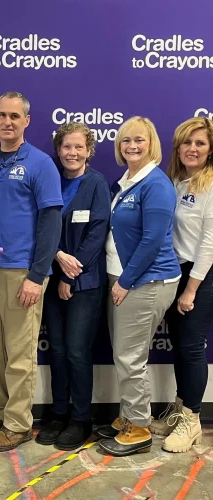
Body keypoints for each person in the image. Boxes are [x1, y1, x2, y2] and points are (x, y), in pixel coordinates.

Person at [0, 91, 63, 452]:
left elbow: (51, 222)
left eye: (14, 116)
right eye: (1, 115)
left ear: (26, 121)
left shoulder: (40, 164)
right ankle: (2, 412)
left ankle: (19, 424)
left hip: (22, 272)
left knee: (20, 353)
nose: (7, 122)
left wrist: (38, 276)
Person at [97, 117, 181, 457]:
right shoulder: (129, 180)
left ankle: (140, 429)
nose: (132, 145)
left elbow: (152, 241)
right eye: (126, 140)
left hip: (145, 281)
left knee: (130, 357)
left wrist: (126, 281)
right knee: (126, 354)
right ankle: (128, 417)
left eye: (139, 140)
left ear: (152, 144)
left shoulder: (156, 185)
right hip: (125, 278)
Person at [36, 122, 111, 450]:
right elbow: (39, 225)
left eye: (79, 147)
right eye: (67, 147)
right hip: (50, 277)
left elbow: (97, 234)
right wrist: (57, 258)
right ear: (58, 149)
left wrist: (70, 275)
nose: (72, 153)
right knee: (59, 350)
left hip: (85, 281)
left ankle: (81, 418)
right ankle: (58, 412)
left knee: (78, 351)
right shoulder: (49, 178)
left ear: (89, 151)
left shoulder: (96, 184)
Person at [149, 117, 213, 453]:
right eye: (187, 143)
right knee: (179, 345)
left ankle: (192, 421)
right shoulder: (175, 180)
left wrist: (191, 289)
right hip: (174, 270)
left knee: (191, 346)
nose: (192, 149)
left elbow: (209, 242)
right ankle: (180, 409)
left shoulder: (211, 184)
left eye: (200, 143)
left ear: (210, 148)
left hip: (201, 275)